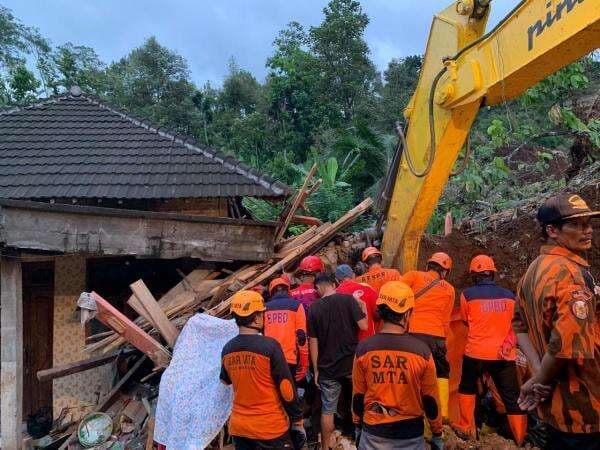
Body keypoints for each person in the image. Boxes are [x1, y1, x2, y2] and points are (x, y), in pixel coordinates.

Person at [513, 193, 599, 450]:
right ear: (552, 230)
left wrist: (538, 374)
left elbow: (519, 326)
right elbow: (566, 345)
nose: (587, 230)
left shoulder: (534, 270)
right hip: (585, 407)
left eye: (588, 223)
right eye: (576, 224)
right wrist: (539, 380)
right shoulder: (571, 275)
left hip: (556, 409)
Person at [352, 280, 443, 450]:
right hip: (410, 435)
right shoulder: (422, 351)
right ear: (407, 314)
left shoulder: (364, 349)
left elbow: (358, 395)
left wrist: (357, 426)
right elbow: (430, 398)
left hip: (373, 434)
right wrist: (437, 433)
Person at [453, 255, 527, 445]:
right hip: (504, 355)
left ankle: (467, 428)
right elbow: (516, 324)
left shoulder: (467, 295)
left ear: (474, 276)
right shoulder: (510, 297)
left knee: (467, 388)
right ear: (492, 274)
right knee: (512, 398)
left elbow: (465, 321)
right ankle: (520, 440)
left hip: (475, 352)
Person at [220, 290, 305, 450]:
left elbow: (225, 380)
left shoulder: (227, 349)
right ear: (257, 317)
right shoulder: (270, 346)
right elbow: (286, 388)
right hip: (270, 428)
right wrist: (297, 420)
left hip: (240, 428)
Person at [308, 274, 368, 450]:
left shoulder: (314, 308)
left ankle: (326, 446)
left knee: (328, 410)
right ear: (333, 284)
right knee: (357, 405)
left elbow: (313, 342)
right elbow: (364, 326)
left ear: (318, 288)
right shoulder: (349, 300)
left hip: (328, 369)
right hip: (351, 365)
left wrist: (316, 370)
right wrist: (362, 306)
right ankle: (361, 444)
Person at [403, 252, 455, 420]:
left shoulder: (413, 276)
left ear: (428, 265)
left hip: (413, 335)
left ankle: (410, 413)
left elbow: (397, 295)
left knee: (412, 375)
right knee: (441, 374)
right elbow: (446, 321)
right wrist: (443, 341)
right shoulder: (449, 289)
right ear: (445, 272)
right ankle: (443, 415)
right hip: (437, 338)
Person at [264, 277, 309, 383]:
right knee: (289, 396)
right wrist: (304, 363)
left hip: (269, 360)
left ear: (271, 292)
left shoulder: (264, 309)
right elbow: (301, 337)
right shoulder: (296, 306)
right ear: (288, 290)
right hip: (290, 360)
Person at [335, 264, 379, 340]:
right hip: (367, 341)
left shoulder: (334, 294)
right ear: (353, 275)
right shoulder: (367, 288)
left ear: (336, 280)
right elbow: (377, 313)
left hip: (346, 344)